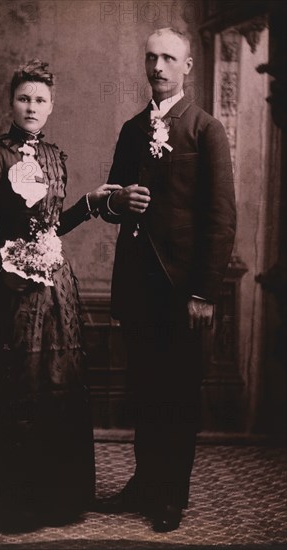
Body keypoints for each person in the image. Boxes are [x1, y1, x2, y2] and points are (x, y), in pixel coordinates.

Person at [0, 59, 120, 529]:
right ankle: (2, 498)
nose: (31, 106)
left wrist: (90, 204)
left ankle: (53, 496)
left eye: (40, 100)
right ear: (11, 104)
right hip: (8, 292)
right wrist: (1, 271)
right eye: (23, 98)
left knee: (55, 381)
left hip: (56, 291)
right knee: (9, 381)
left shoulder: (57, 156)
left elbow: (53, 226)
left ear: (51, 107)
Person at [99, 28, 236, 531]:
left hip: (182, 290)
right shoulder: (132, 129)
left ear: (187, 66)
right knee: (145, 388)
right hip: (138, 285)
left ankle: (171, 495)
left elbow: (221, 219)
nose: (157, 67)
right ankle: (143, 483)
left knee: (177, 393)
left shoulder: (206, 130)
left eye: (168, 58)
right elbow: (110, 200)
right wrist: (118, 200)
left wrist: (204, 292)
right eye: (151, 57)